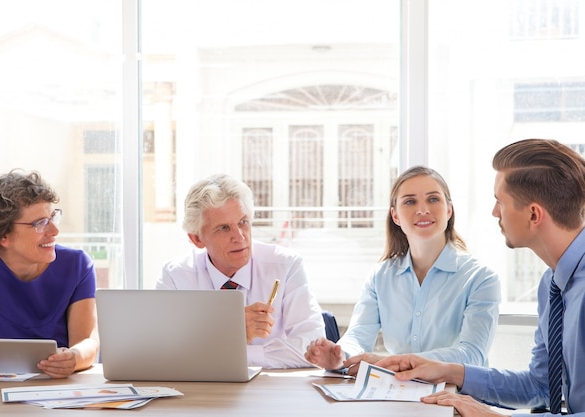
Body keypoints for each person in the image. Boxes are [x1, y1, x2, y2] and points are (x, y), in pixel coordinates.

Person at [377, 139, 585, 417]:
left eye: (500, 202)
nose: (494, 212)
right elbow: (541, 386)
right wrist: (451, 371)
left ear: (533, 214)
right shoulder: (553, 284)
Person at [305, 166, 501, 375]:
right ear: (395, 216)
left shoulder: (481, 278)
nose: (423, 209)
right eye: (410, 201)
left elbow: (472, 355)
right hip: (397, 394)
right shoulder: (380, 276)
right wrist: (339, 357)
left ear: (449, 210)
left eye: (433, 199)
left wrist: (396, 362)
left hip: (457, 399)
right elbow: (359, 335)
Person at [156, 173, 325, 369]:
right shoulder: (175, 277)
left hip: (272, 391)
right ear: (197, 239)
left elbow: (314, 348)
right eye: (223, 228)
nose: (239, 237)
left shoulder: (286, 266)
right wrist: (230, 334)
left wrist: (231, 348)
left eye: (243, 222)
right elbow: (164, 353)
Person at [0, 170, 99, 380]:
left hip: (57, 389)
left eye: (53, 217)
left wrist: (74, 358)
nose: (54, 230)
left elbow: (88, 342)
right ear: (2, 235)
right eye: (40, 223)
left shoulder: (78, 265)